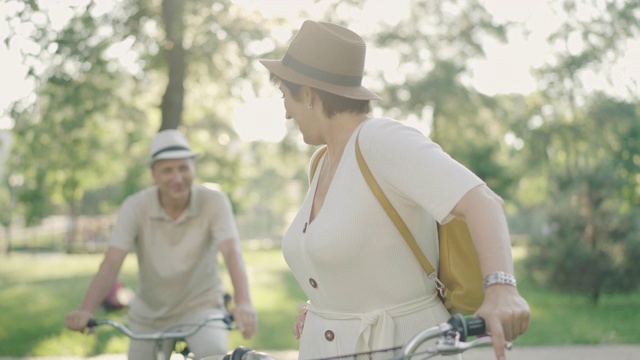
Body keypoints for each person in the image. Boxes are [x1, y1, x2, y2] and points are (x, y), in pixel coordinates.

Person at [259, 20, 530, 360]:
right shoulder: (322, 161)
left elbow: (483, 201)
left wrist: (502, 289)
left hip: (400, 347)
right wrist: (327, 305)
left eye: (286, 97)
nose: (286, 113)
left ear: (309, 95)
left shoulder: (381, 140)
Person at [65, 129, 258, 359]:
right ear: (154, 174)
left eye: (183, 168)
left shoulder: (214, 201)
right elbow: (112, 261)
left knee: (213, 353)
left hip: (202, 307)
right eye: (167, 170)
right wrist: (86, 309)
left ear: (193, 169)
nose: (177, 178)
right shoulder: (135, 206)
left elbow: (231, 251)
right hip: (150, 313)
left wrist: (243, 302)